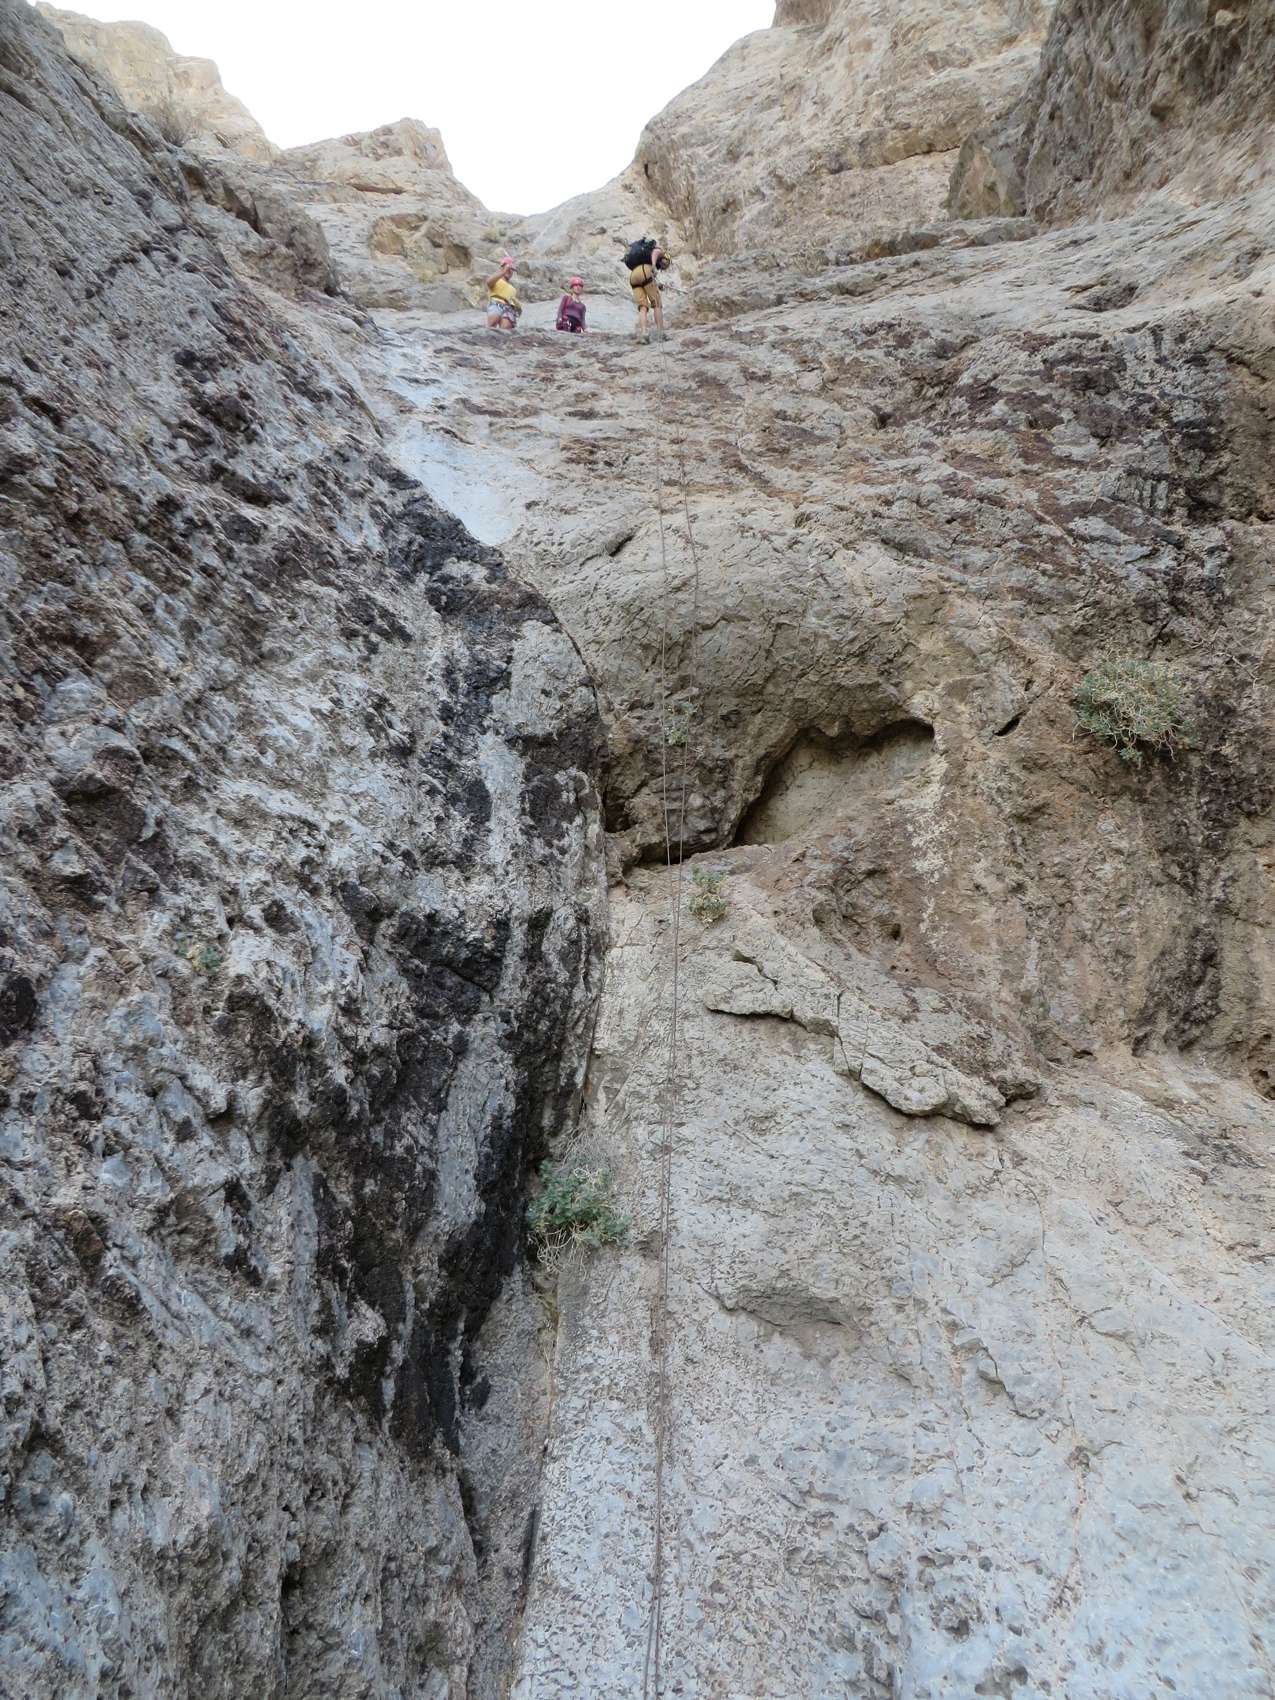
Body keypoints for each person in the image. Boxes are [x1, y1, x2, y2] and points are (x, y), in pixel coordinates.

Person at [625, 237, 670, 343]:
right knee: (657, 304)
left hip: (634, 276)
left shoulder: (642, 259)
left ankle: (644, 334)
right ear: (666, 257)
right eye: (665, 264)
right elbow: (655, 252)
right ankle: (660, 333)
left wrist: (658, 285)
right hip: (645, 271)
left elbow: (649, 281)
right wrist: (653, 265)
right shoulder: (660, 252)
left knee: (643, 307)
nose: (663, 266)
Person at [485, 257, 522, 331]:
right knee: (491, 326)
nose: (509, 271)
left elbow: (513, 301)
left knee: (505, 331)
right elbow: (488, 282)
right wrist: (503, 272)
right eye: (508, 269)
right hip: (496, 304)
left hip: (508, 308)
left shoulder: (513, 289)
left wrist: (517, 307)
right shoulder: (496, 280)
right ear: (502, 267)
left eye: (511, 270)